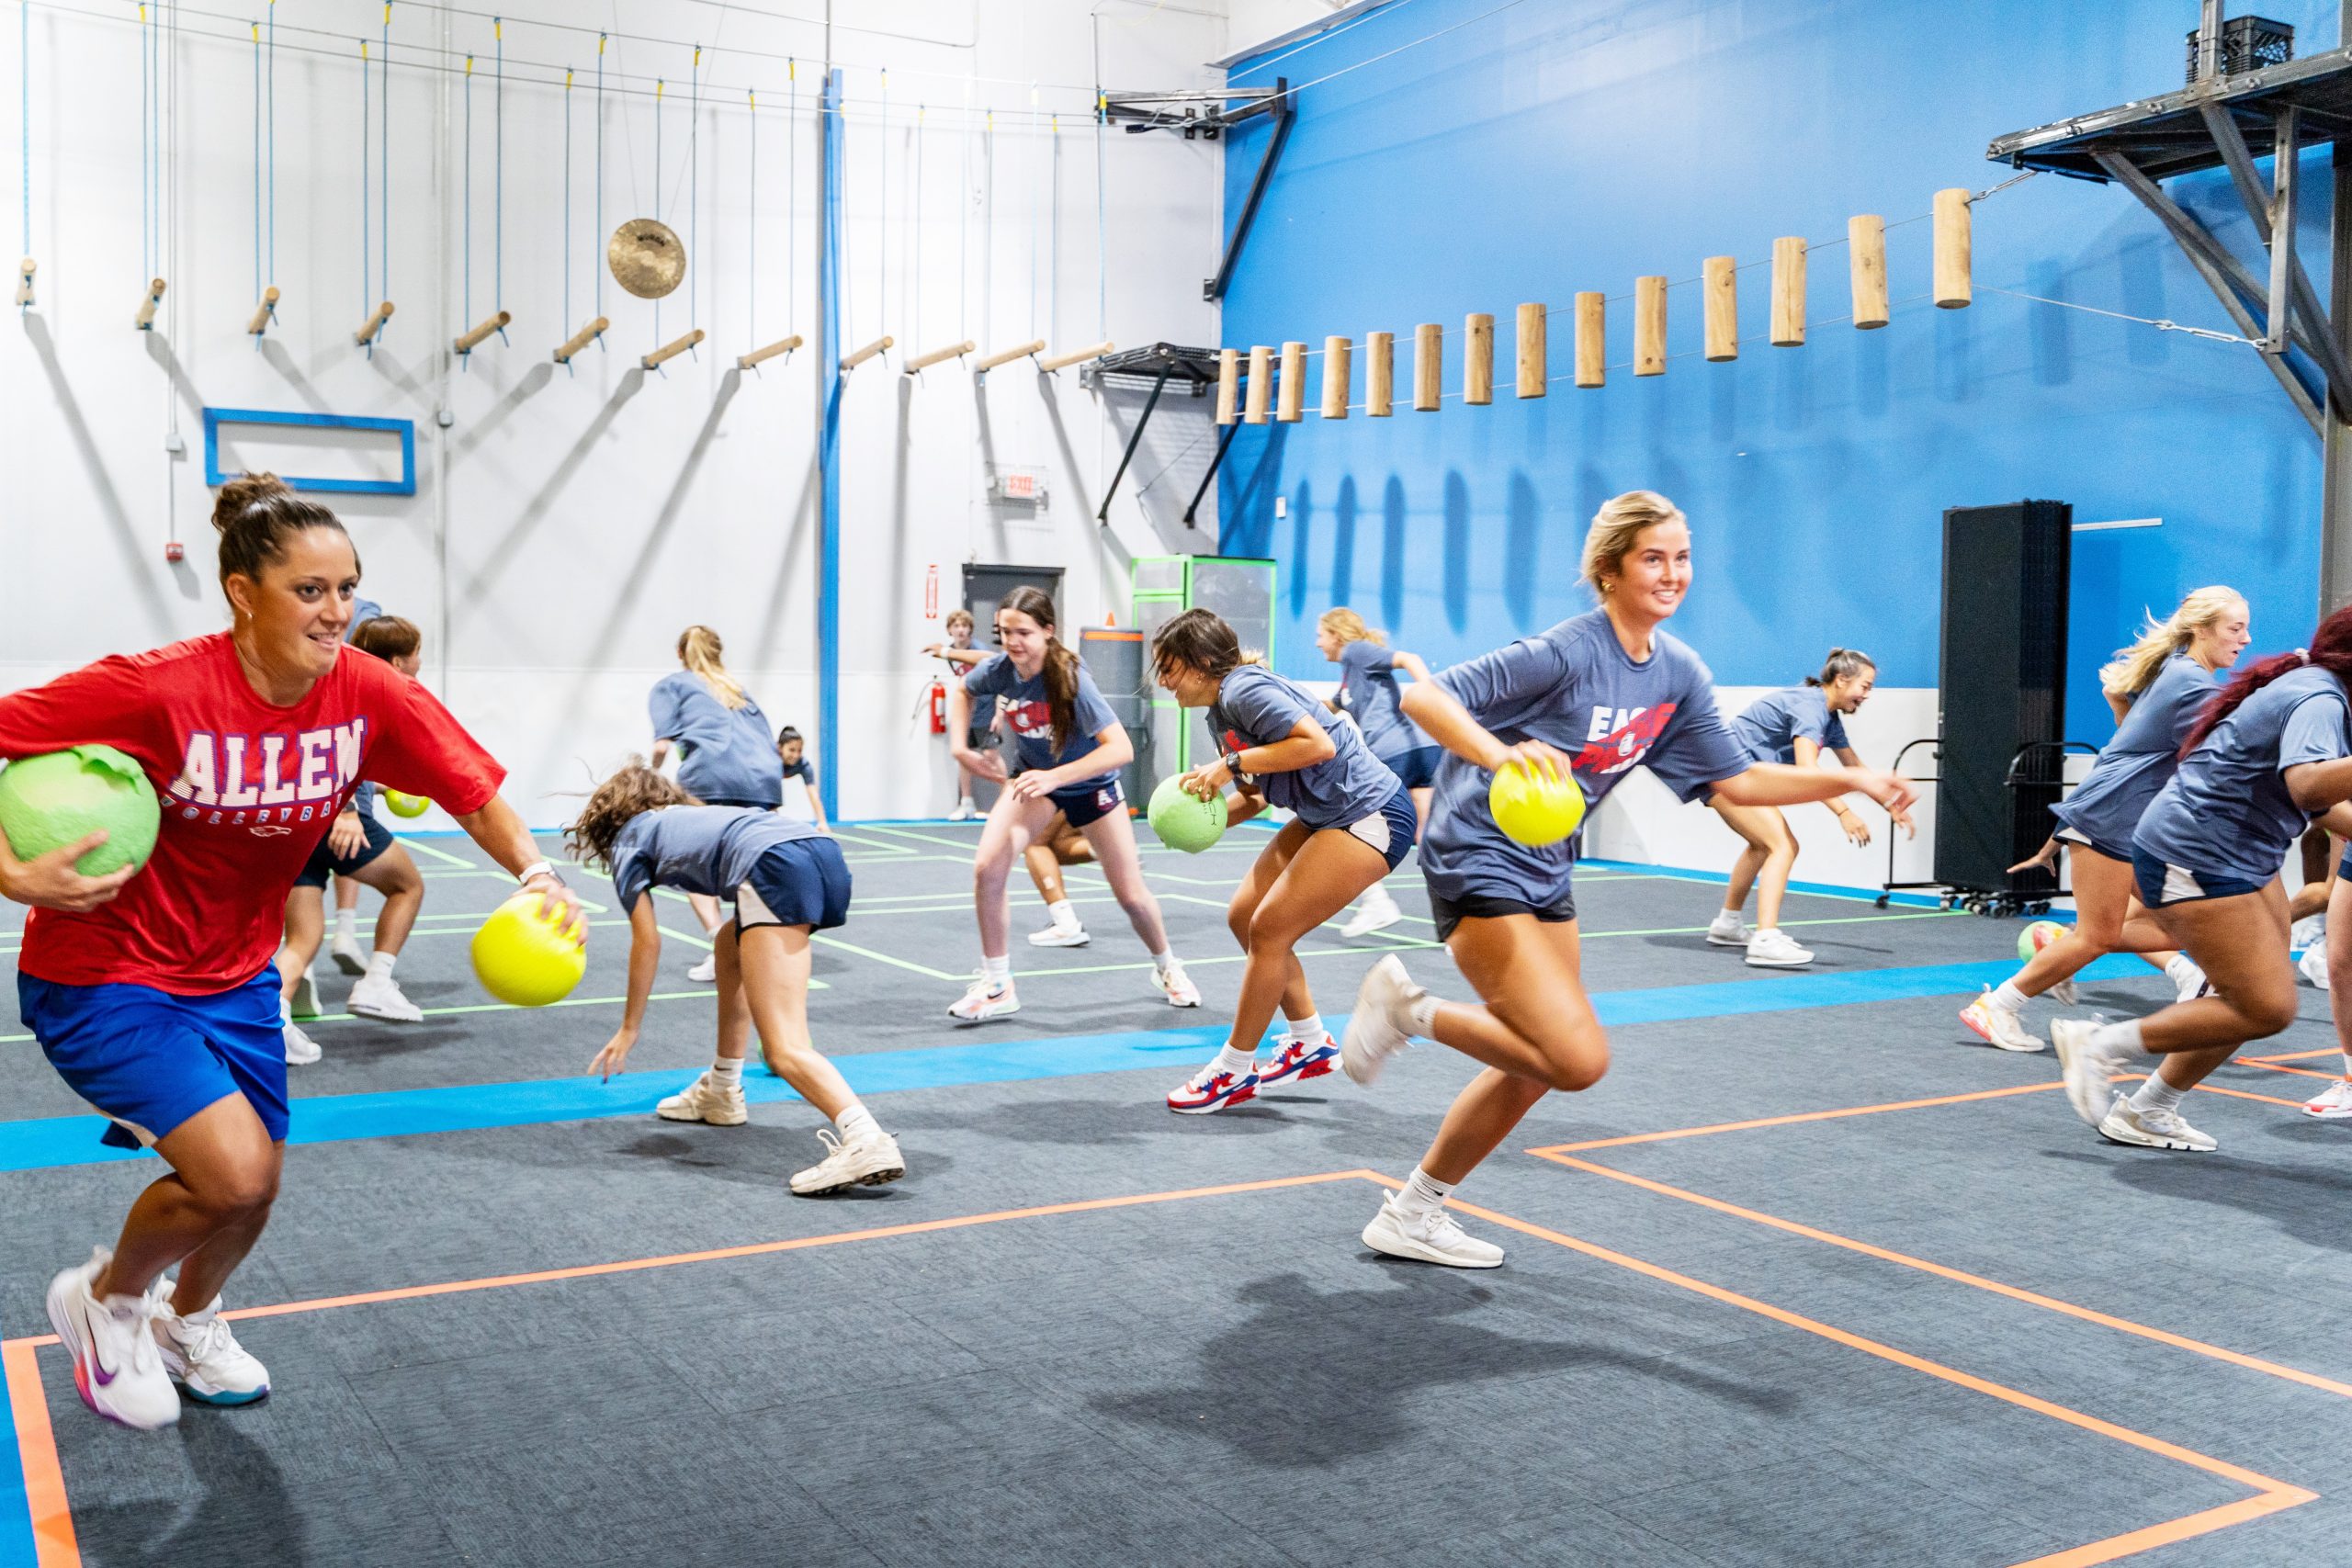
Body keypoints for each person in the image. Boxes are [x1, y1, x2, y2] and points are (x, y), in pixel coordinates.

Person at [0, 474, 581, 1430]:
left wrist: (535, 873)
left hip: (234, 977)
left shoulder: (365, 692)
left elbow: (469, 790)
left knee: (254, 1191)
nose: (337, 612)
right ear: (242, 592)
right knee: (230, 1176)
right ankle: (105, 1304)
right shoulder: (157, 688)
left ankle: (191, 1322)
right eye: (310, 591)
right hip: (106, 972)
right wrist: (11, 874)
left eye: (347, 588)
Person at [1335, 491, 1917, 1267]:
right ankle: (1408, 1009)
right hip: (1476, 849)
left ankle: (1413, 1211)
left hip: (1548, 863)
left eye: (1682, 558)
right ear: (1608, 571)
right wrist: (1501, 754)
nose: (1672, 573)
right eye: (1653, 557)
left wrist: (1854, 781)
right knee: (1576, 1058)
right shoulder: (1566, 650)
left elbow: (1738, 782)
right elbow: (1424, 696)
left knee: (1534, 1062)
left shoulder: (1677, 672)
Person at [2053, 609, 2352, 1153]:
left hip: (2236, 852)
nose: (2245, 637)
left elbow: (2323, 803)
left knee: (2248, 989)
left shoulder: (2319, 691)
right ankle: (2099, 1044)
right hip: (2195, 850)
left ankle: (2148, 1109)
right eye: (2233, 627)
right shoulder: (2320, 697)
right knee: (2267, 1006)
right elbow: (2308, 786)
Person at [571, 762, 900, 1194]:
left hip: (774, 864)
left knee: (784, 1048)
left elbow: (646, 942)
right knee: (730, 942)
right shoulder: (692, 815)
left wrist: (629, 1027)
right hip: (820, 850)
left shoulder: (630, 839)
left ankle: (865, 1138)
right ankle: (723, 1087)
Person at [1961, 590, 2245, 1053]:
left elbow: (2122, 723)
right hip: (2113, 817)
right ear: (2202, 629)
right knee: (2102, 935)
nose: (2246, 638)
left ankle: (2160, 970)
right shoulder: (2193, 684)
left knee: (2170, 921)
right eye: (2236, 628)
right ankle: (2002, 1004)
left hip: (2123, 818)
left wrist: (2065, 829)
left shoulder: (2177, 669)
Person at [1155, 610, 1416, 1112]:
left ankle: (1232, 1072)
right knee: (1244, 917)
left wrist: (1228, 764)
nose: (1164, 681)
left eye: (1169, 668)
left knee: (1271, 930)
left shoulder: (1243, 689)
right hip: (1326, 813)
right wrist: (1193, 826)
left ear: (1203, 661)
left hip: (1370, 812)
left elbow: (1313, 746)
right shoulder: (1221, 714)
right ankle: (1310, 1044)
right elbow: (1254, 798)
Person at [944, 587, 1198, 1021]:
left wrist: (1055, 777)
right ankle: (998, 984)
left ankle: (1167, 966)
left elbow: (1120, 749)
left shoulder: (1072, 678)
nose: (1012, 641)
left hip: (1089, 784)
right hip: (1034, 781)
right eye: (1004, 631)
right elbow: (962, 691)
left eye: (1022, 632)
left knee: (1131, 896)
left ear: (1048, 631)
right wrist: (959, 747)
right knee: (988, 867)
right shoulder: (1000, 671)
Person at [276, 615, 434, 1060]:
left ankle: (276, 1021)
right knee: (407, 886)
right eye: (418, 653)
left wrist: (378, 789)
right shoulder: (371, 692)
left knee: (304, 938)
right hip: (338, 823)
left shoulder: (333, 680)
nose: (421, 662)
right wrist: (346, 810)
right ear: (401, 660)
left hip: (300, 825)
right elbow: (335, 747)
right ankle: (377, 982)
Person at [1705, 649, 1898, 966]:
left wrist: (1892, 804)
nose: (1867, 695)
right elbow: (1808, 773)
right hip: (1725, 773)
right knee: (1782, 845)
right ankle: (1766, 938)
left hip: (1737, 775)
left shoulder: (1828, 716)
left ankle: (1727, 925)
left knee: (1760, 845)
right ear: (1840, 680)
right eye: (1865, 686)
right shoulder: (1811, 707)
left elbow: (1855, 769)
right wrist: (1843, 812)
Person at [650, 626, 785, 984]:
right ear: (719, 654)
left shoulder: (673, 685)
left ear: (681, 655)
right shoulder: (738, 689)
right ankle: (750, 945)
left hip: (710, 774)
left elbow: (662, 746)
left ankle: (719, 945)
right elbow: (767, 742)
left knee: (691, 860)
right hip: (763, 779)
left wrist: (650, 777)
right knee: (748, 868)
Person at [1317, 609, 1440, 937]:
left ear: (1337, 635)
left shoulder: (1356, 651)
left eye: (1320, 635)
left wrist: (1431, 692)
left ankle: (1375, 901)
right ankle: (1461, 921)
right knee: (1430, 841)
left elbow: (1407, 658)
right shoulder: (1350, 674)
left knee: (1345, 824)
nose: (1318, 644)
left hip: (1396, 753)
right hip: (1421, 751)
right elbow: (1329, 706)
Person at [927, 609, 988, 820]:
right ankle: (967, 803)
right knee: (962, 754)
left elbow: (998, 680)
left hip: (984, 710)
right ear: (950, 630)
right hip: (965, 711)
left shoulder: (979, 651)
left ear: (970, 628)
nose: (961, 630)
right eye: (956, 626)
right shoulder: (950, 652)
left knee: (991, 754)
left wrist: (999, 713)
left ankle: (1003, 799)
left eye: (964, 626)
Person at [1023, 809, 1098, 947]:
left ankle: (1067, 925)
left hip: (1061, 789)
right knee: (1056, 844)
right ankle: (1111, 849)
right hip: (1089, 790)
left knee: (1033, 842)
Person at [775, 726, 830, 832]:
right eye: (791, 750)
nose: (796, 755)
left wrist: (822, 821)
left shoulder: (803, 765)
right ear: (779, 748)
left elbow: (813, 794)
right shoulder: (770, 760)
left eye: (799, 750)